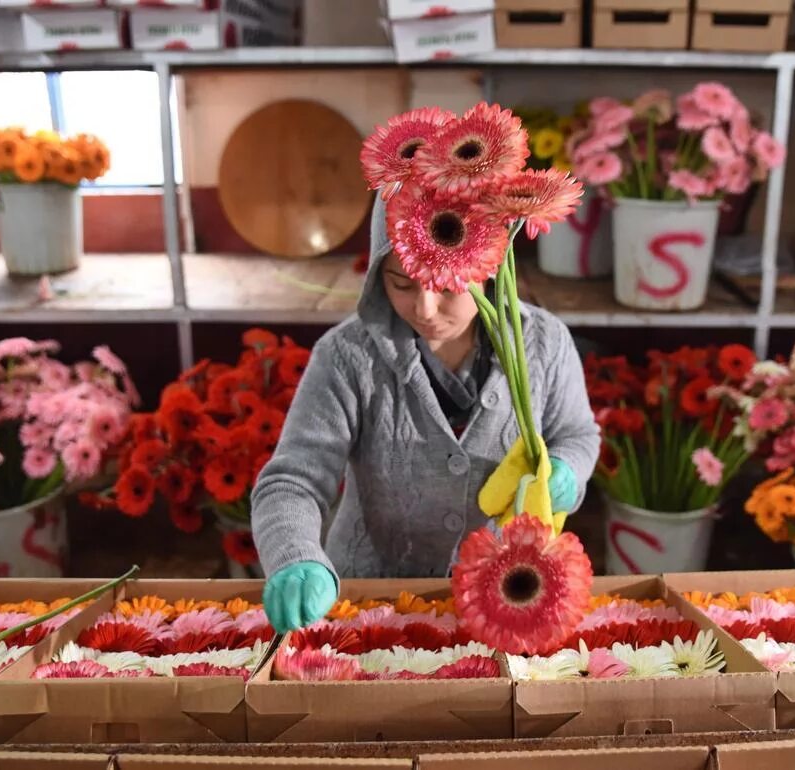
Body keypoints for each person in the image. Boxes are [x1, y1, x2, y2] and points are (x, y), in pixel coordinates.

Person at [252, 197, 601, 633]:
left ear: (490, 264)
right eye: (401, 283)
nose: (426, 309)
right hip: (367, 601)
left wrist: (567, 470)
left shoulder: (545, 344)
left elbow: (577, 433)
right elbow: (293, 480)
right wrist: (296, 555)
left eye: (450, 285)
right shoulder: (348, 357)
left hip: (500, 599)